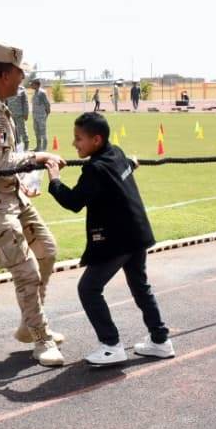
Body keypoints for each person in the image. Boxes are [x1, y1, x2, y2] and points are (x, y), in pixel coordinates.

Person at [0, 40, 67, 366]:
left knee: (47, 250)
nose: (23, 79)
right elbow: (2, 163)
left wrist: (21, 183)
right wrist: (39, 156)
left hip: (8, 194)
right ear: (5, 74)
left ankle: (28, 324)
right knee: (26, 269)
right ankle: (41, 337)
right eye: (20, 73)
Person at [44, 112, 174, 367]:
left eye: (78, 138)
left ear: (96, 140)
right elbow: (117, 172)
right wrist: (131, 164)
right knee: (140, 286)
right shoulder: (117, 153)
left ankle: (111, 345)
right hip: (137, 233)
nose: (74, 143)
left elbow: (74, 202)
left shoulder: (95, 168)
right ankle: (160, 340)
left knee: (88, 289)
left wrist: (54, 179)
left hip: (118, 239)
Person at [31, 78, 50, 151]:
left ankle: (44, 149)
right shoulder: (35, 92)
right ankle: (38, 147)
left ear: (37, 84)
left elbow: (47, 104)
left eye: (32, 84)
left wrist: (46, 115)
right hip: (35, 116)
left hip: (41, 116)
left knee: (43, 133)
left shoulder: (42, 93)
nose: (31, 85)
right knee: (37, 132)